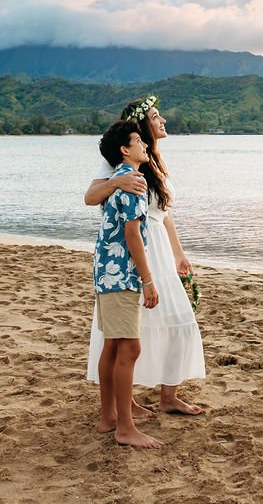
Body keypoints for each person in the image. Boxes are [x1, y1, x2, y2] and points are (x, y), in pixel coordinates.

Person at [84, 96, 206, 416]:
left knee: (177, 320)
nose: (162, 119)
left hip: (160, 249)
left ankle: (168, 395)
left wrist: (179, 255)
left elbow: (164, 214)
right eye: (155, 116)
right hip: (135, 248)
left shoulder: (153, 160)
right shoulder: (120, 162)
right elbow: (90, 196)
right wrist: (115, 180)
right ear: (141, 126)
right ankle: (128, 403)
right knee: (131, 332)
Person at [92, 120, 163, 447]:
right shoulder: (133, 181)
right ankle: (125, 428)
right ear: (125, 149)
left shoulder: (115, 179)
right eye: (139, 141)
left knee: (113, 345)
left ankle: (109, 418)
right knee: (130, 347)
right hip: (121, 274)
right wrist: (148, 280)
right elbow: (132, 234)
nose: (145, 145)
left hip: (106, 271)